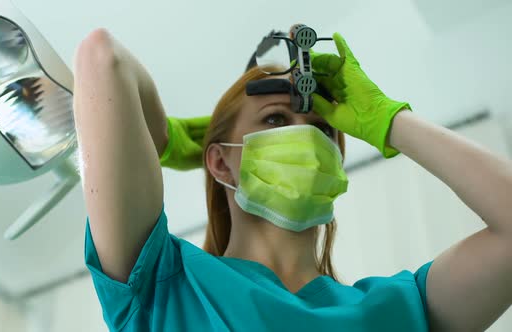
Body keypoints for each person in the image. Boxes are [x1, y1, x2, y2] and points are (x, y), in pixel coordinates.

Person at [72, 28, 512, 331]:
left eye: (322, 129)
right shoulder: (164, 287)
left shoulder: (401, 308)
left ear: (335, 165)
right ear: (221, 163)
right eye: (275, 119)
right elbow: (101, 57)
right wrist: (165, 139)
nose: (302, 136)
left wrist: (388, 121)